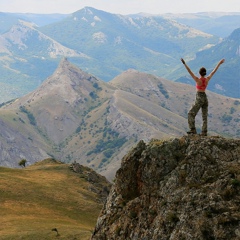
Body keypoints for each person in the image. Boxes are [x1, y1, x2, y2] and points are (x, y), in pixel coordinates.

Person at [181, 58, 225, 136]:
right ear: (205, 73)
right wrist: (219, 63)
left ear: (199, 73)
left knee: (190, 113)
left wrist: (184, 64)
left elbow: (190, 71)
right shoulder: (207, 79)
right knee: (204, 116)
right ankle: (204, 132)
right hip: (205, 97)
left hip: (199, 97)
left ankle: (192, 130)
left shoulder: (198, 80)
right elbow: (213, 71)